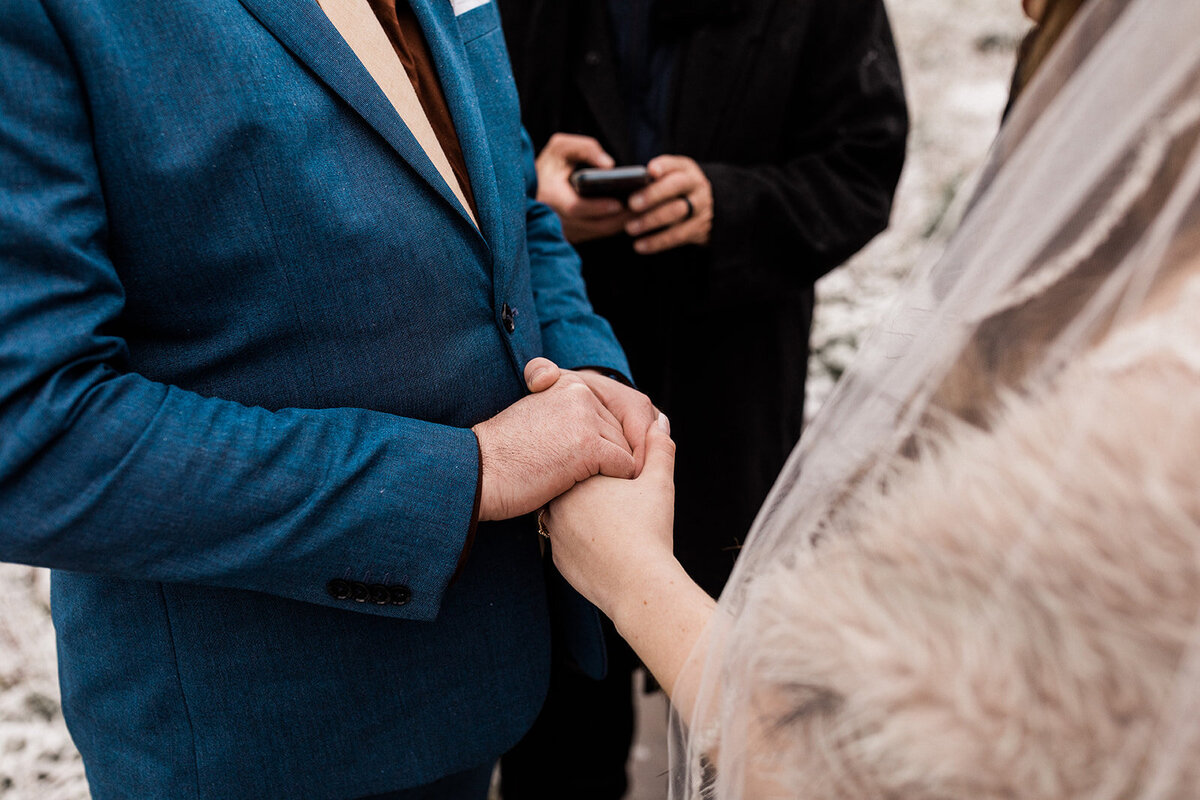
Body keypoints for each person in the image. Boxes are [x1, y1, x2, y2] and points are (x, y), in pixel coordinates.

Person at [539, 0, 1200, 796]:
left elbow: (841, 762)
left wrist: (631, 577)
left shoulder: (1122, 446)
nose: (1021, 7)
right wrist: (538, 197)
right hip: (569, 375)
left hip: (731, 397)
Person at [0, 0, 657, 797]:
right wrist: (470, 474)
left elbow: (509, 205)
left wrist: (593, 380)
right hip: (268, 732)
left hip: (486, 674)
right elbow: (35, 437)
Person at [494, 1, 908, 794]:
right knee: (563, 741)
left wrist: (733, 204)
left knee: (745, 717)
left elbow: (864, 167)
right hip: (563, 400)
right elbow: (477, 151)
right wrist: (539, 197)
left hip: (736, 407)